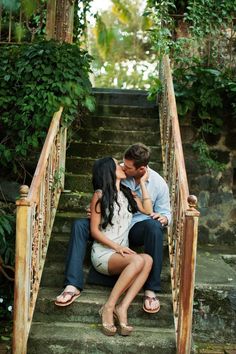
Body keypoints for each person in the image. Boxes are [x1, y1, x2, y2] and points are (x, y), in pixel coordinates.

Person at [55, 143, 171, 314]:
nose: (123, 167)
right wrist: (99, 211)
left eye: (127, 166)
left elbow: (155, 211)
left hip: (135, 227)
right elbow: (102, 191)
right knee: (80, 224)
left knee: (154, 227)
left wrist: (164, 216)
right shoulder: (112, 182)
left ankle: (150, 289)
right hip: (110, 227)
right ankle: (72, 284)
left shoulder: (157, 184)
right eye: (120, 163)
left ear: (142, 169)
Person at [90, 157, 153, 335]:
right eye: (117, 164)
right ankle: (109, 307)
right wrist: (116, 247)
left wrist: (141, 183)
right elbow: (94, 231)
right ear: (109, 170)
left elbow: (148, 210)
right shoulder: (99, 195)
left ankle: (122, 307)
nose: (122, 166)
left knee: (147, 259)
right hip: (104, 254)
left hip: (123, 255)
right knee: (137, 261)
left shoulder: (127, 193)